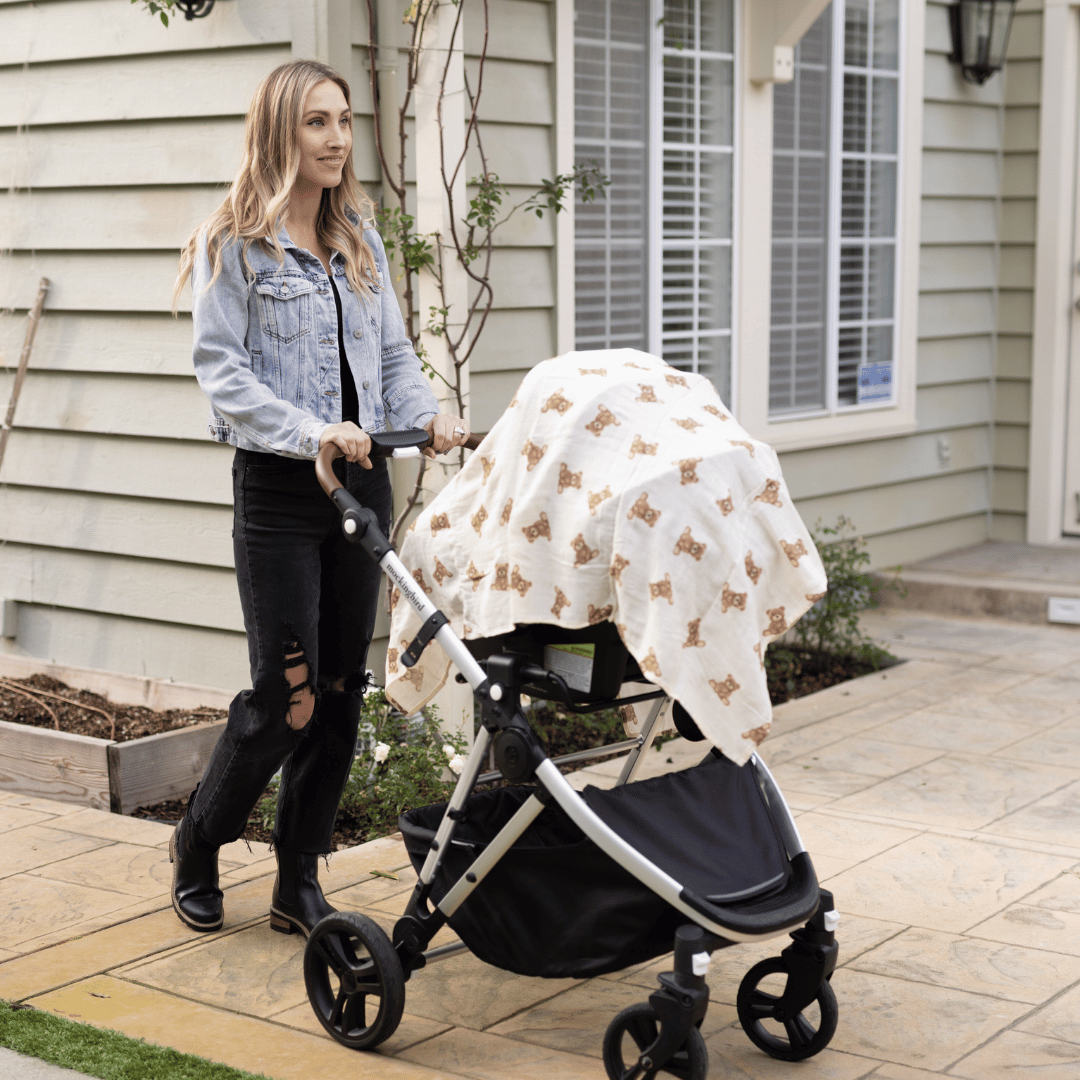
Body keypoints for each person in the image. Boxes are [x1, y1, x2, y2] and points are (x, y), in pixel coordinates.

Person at [169, 59, 469, 935]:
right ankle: (199, 839)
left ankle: (297, 882)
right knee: (285, 699)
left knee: (338, 692)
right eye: (316, 123)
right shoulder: (235, 242)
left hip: (361, 484)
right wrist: (314, 433)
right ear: (279, 132)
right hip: (282, 489)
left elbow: (390, 360)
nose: (337, 139)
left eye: (343, 121)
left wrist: (427, 415)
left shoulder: (357, 238)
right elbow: (221, 374)